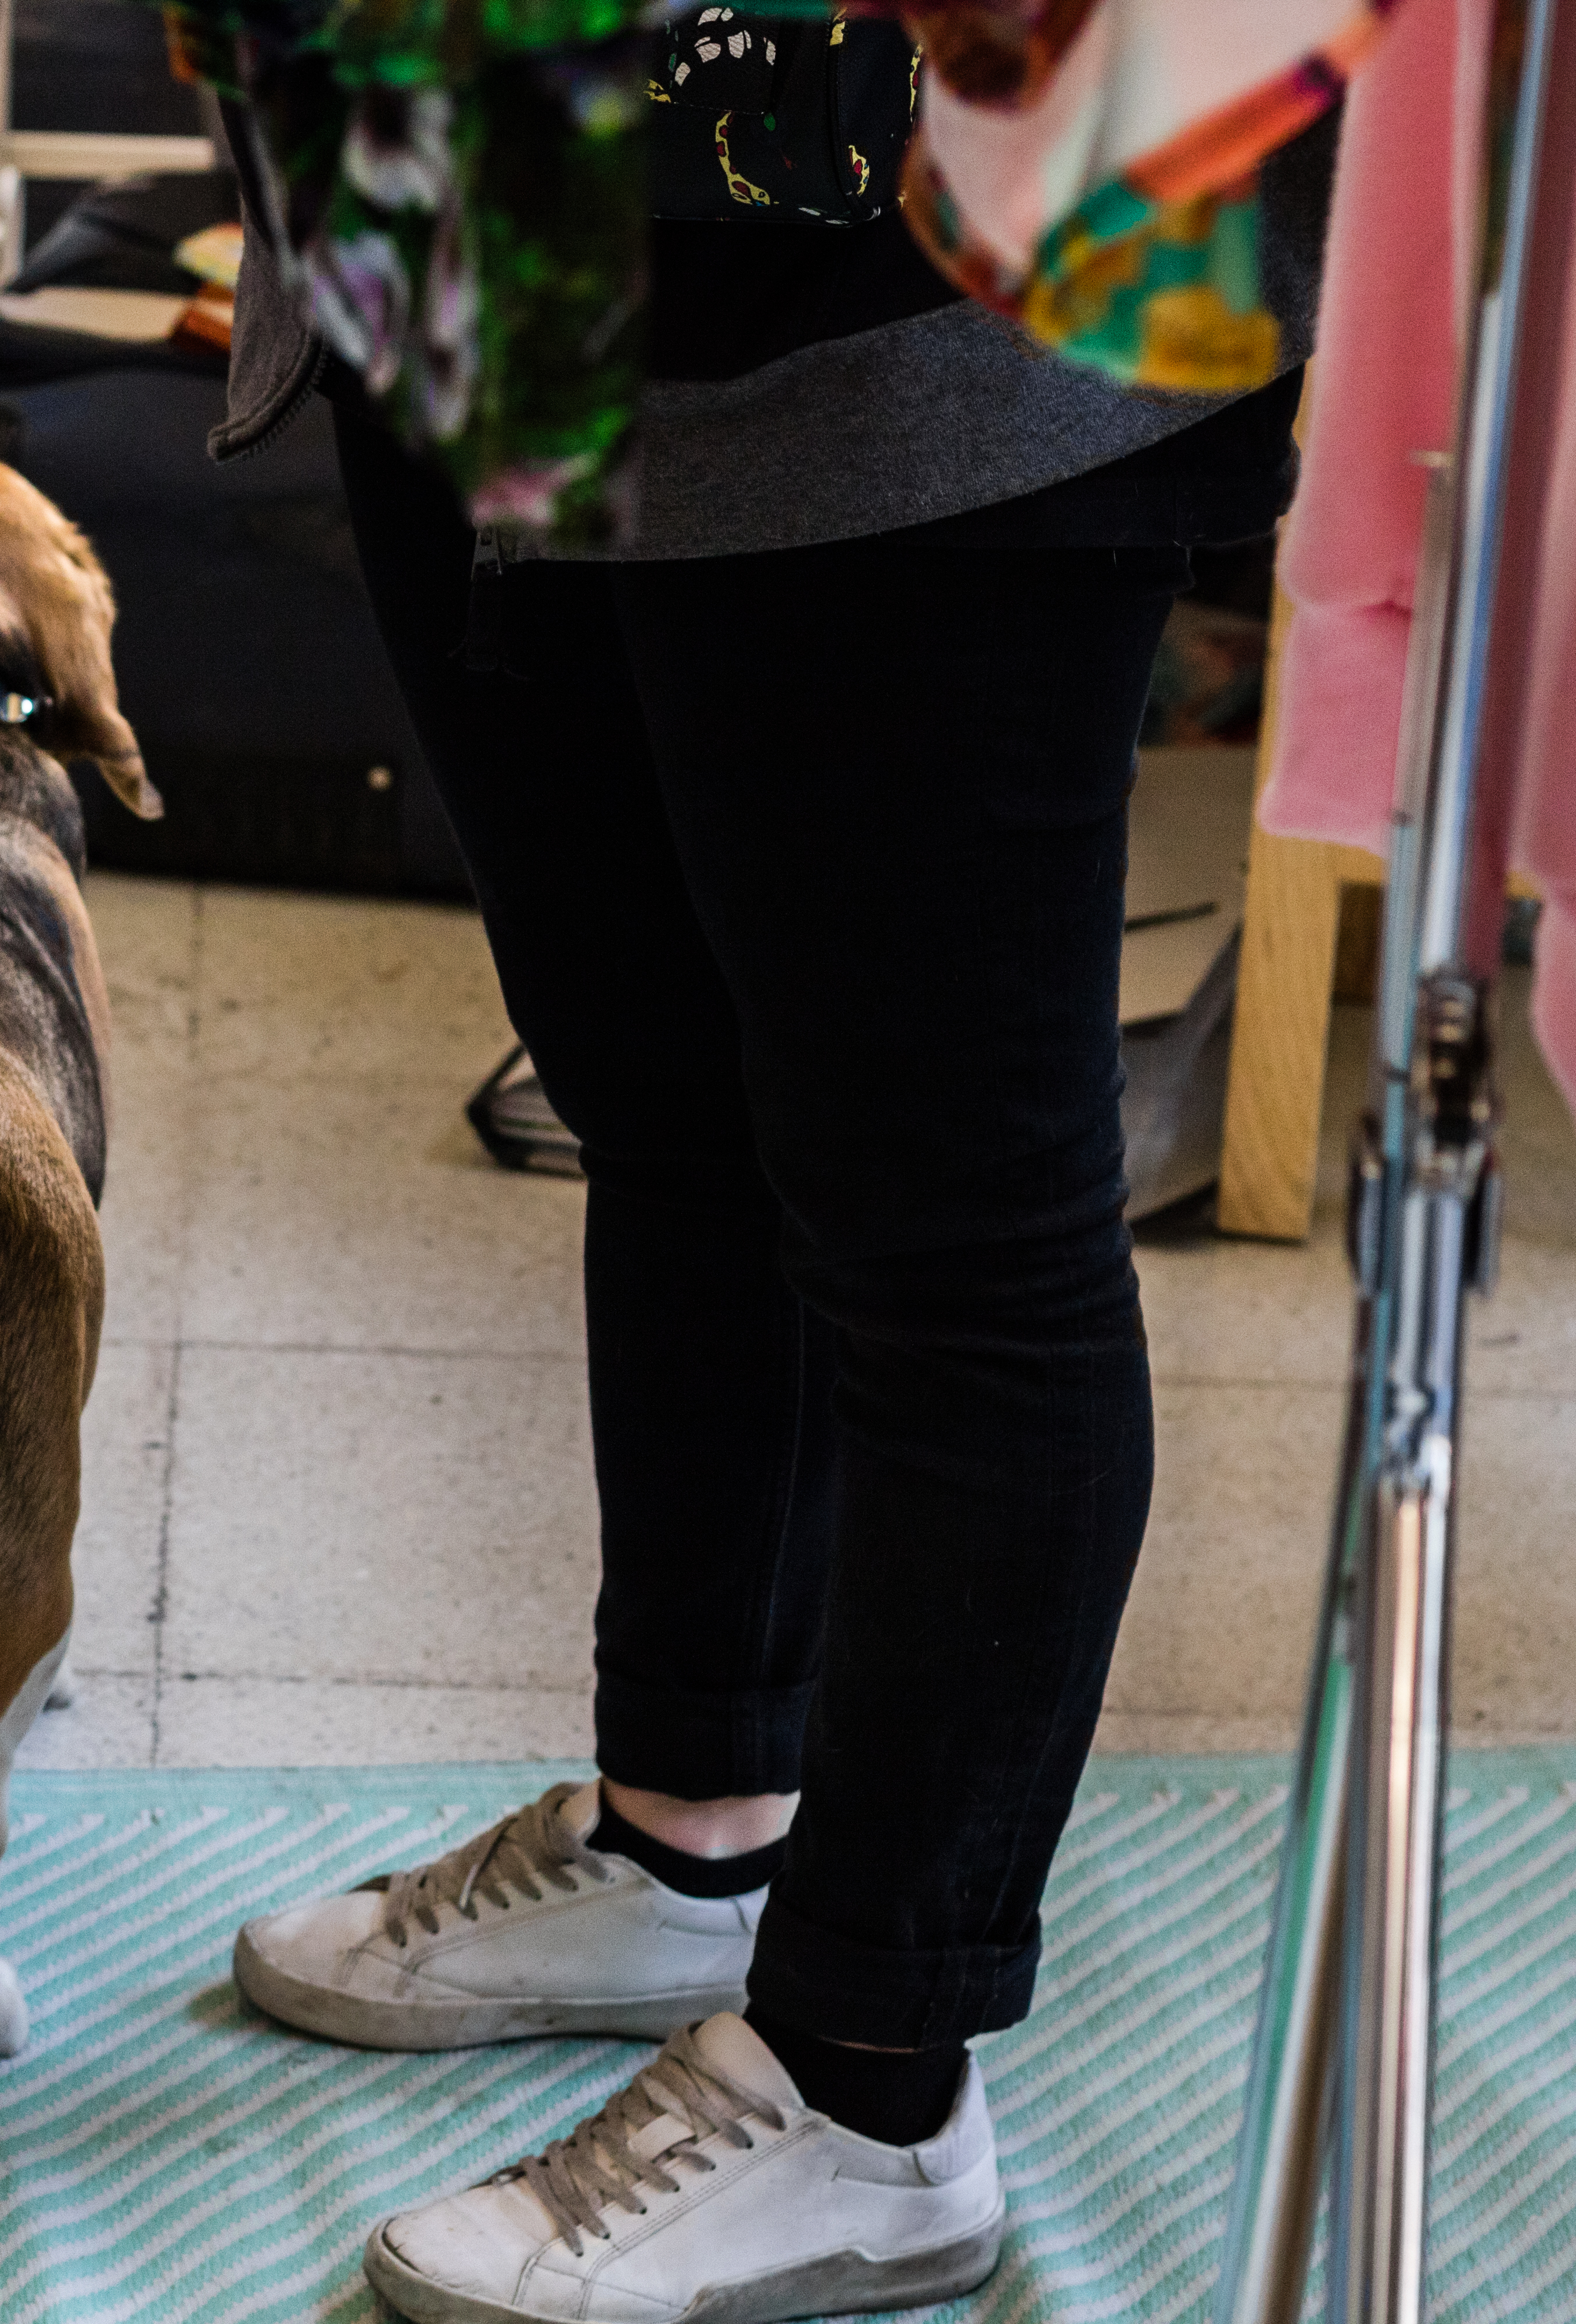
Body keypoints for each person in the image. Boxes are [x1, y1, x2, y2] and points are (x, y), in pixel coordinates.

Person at [209, 59, 1331, 2324]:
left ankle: (872, 2082)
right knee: (670, 1087)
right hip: (453, 186)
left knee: (957, 1232)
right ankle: (693, 1824)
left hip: (927, 257)